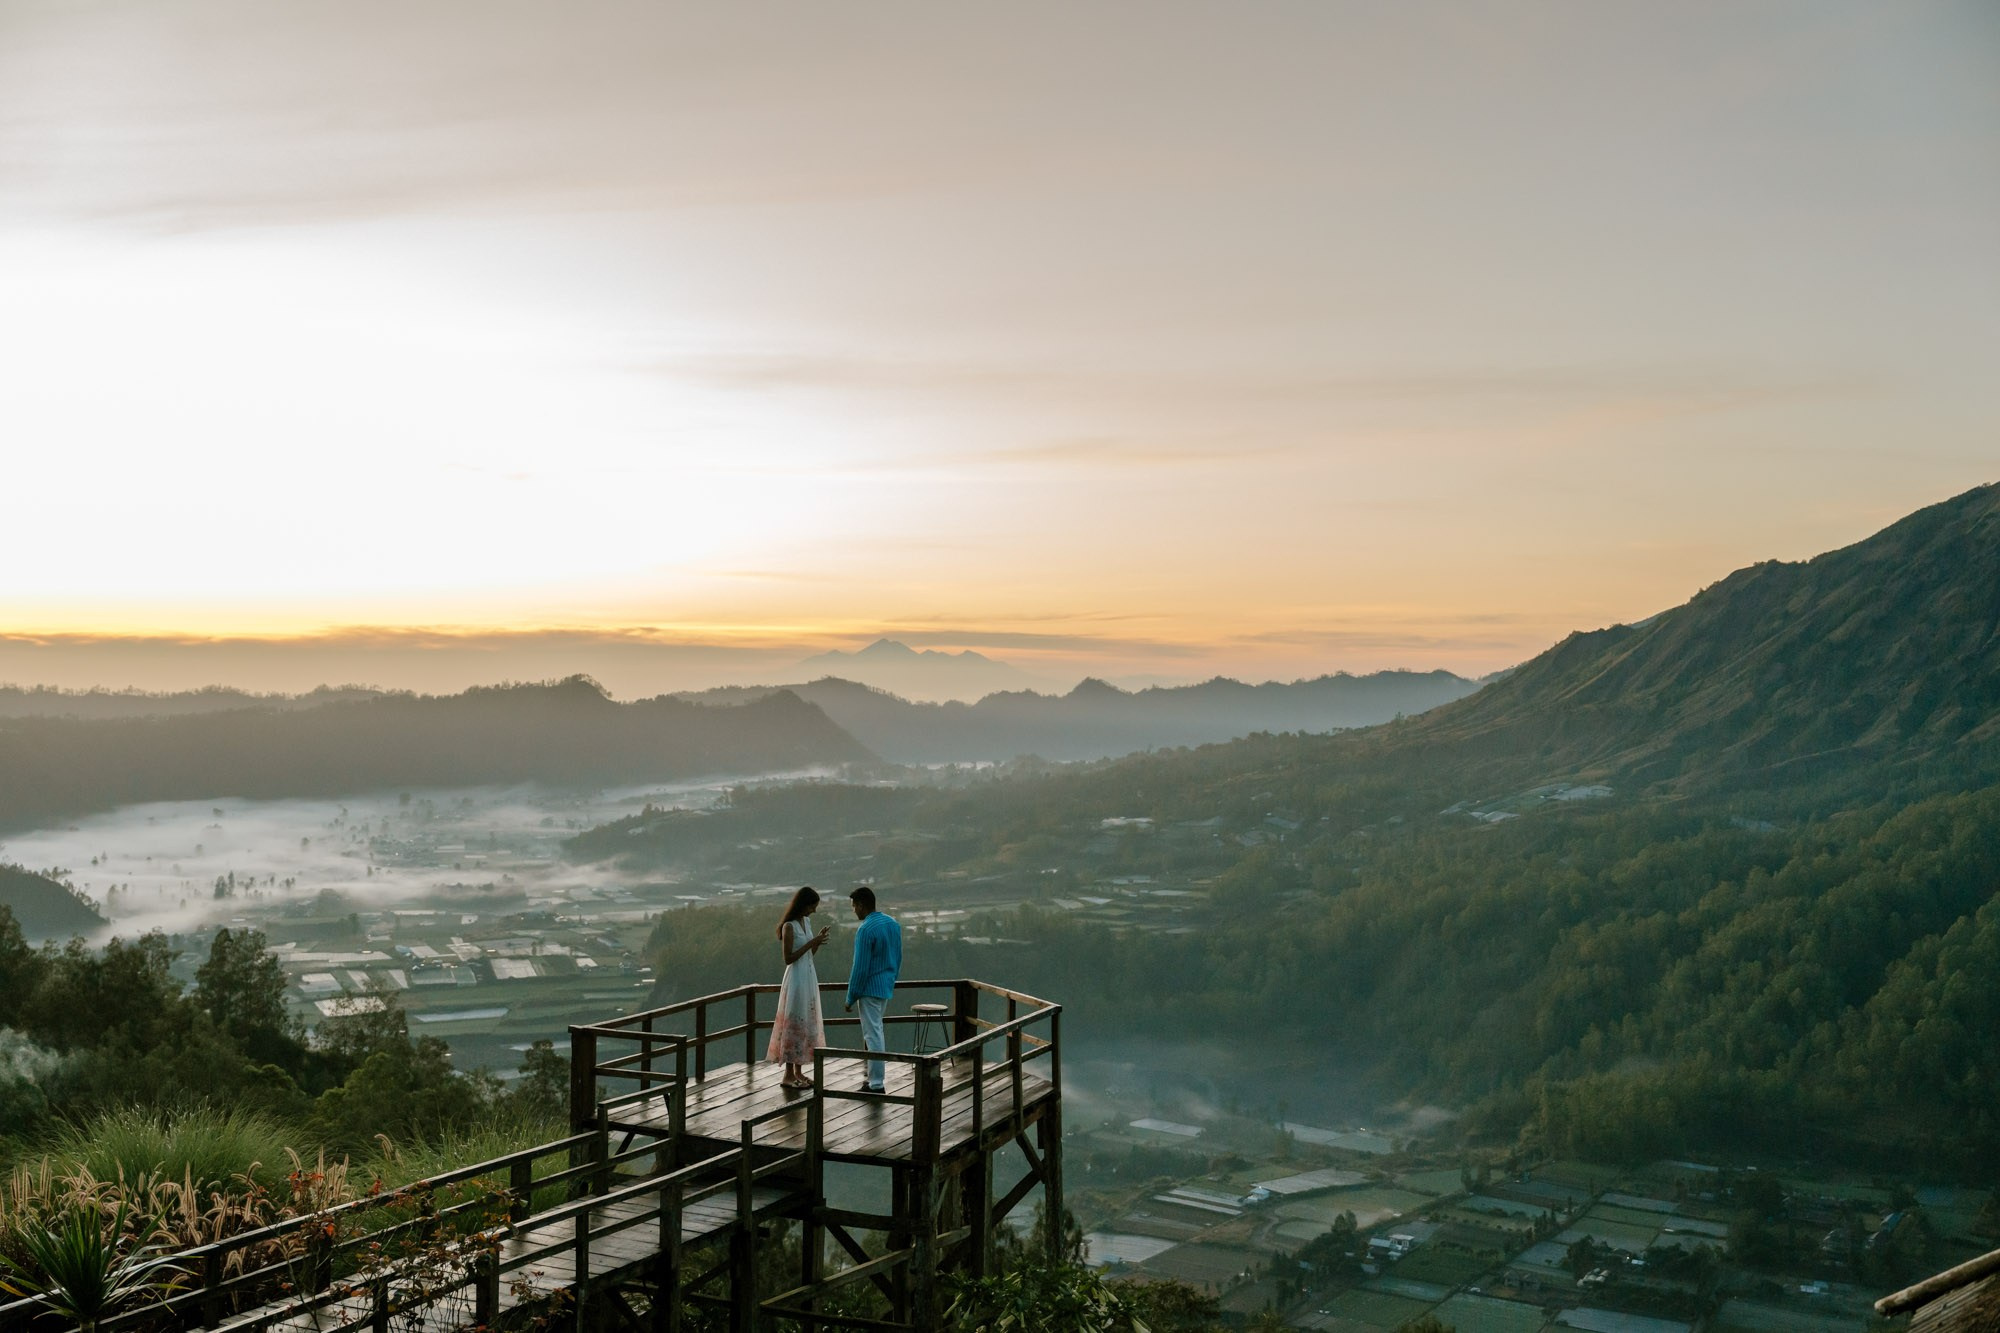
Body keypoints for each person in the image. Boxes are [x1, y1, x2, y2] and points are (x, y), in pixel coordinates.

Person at [767, 885, 831, 1090]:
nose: (814, 910)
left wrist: (817, 942)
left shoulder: (807, 922)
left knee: (805, 1022)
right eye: (812, 906)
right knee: (794, 1022)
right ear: (803, 904)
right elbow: (789, 958)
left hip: (808, 976)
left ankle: (798, 1071)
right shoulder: (789, 927)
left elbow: (809, 955)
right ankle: (787, 1075)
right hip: (795, 979)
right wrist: (812, 941)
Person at [843, 885, 902, 1093]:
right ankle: (872, 1080)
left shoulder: (866, 930)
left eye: (854, 906)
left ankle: (876, 1084)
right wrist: (892, 979)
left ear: (861, 905)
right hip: (885, 986)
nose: (854, 911)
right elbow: (898, 957)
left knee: (873, 1035)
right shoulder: (892, 924)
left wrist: (851, 997)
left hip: (869, 990)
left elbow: (860, 968)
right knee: (876, 1032)